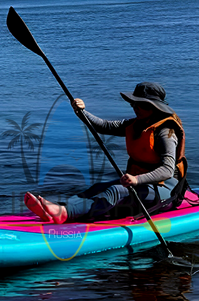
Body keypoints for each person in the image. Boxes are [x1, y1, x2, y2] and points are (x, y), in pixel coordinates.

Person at [24, 81, 187, 224]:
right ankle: (64, 208)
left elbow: (167, 170)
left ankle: (67, 214)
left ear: (154, 107)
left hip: (165, 190)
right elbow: (104, 126)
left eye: (141, 104)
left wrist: (136, 180)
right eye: (133, 104)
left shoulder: (166, 133)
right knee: (97, 188)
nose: (135, 107)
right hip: (140, 183)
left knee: (116, 191)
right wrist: (81, 112)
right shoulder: (136, 124)